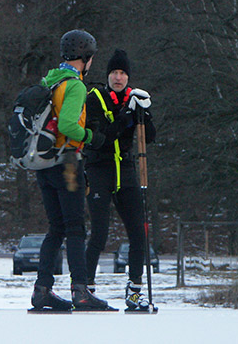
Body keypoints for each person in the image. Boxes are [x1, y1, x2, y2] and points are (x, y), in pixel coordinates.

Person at [30, 29, 109, 311]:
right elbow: (67, 126)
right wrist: (91, 136)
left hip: (44, 164)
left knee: (56, 229)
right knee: (76, 228)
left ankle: (42, 291)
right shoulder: (74, 85)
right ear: (86, 57)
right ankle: (81, 291)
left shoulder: (50, 80)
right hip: (68, 163)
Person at [83, 49, 155, 310]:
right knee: (99, 233)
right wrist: (125, 117)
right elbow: (101, 138)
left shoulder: (133, 99)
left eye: (123, 73)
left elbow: (150, 137)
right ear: (108, 75)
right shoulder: (95, 98)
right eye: (114, 72)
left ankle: (135, 290)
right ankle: (85, 288)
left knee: (138, 232)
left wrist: (144, 115)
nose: (118, 77)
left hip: (125, 170)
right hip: (99, 169)